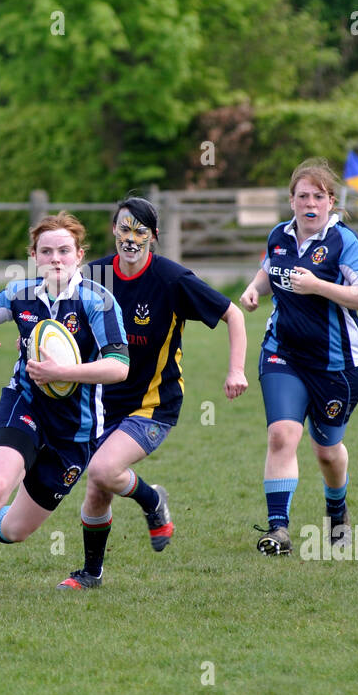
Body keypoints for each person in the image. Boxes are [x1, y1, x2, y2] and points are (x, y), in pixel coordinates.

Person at [0, 212, 129, 615]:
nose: (56, 259)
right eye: (46, 251)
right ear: (34, 256)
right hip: (24, 404)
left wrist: (65, 373)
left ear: (79, 255)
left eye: (65, 250)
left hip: (75, 432)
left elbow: (120, 366)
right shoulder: (21, 295)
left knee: (14, 529)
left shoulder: (99, 302)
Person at [49, 195, 248, 590]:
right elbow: (61, 321)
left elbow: (233, 314)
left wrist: (236, 370)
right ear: (113, 231)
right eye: (124, 228)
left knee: (104, 470)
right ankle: (91, 574)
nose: (131, 237)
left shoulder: (172, 281)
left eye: (140, 230)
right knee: (97, 488)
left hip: (154, 405)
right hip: (102, 404)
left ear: (154, 237)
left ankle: (152, 502)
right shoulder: (94, 276)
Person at [240, 158, 358, 556]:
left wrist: (318, 285)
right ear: (292, 201)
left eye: (319, 196)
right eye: (303, 196)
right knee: (282, 434)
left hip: (337, 366)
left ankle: (337, 510)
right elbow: (269, 269)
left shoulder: (345, 242)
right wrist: (254, 288)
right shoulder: (279, 236)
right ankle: (279, 530)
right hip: (282, 353)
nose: (311, 204)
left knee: (326, 450)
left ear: (331, 201)